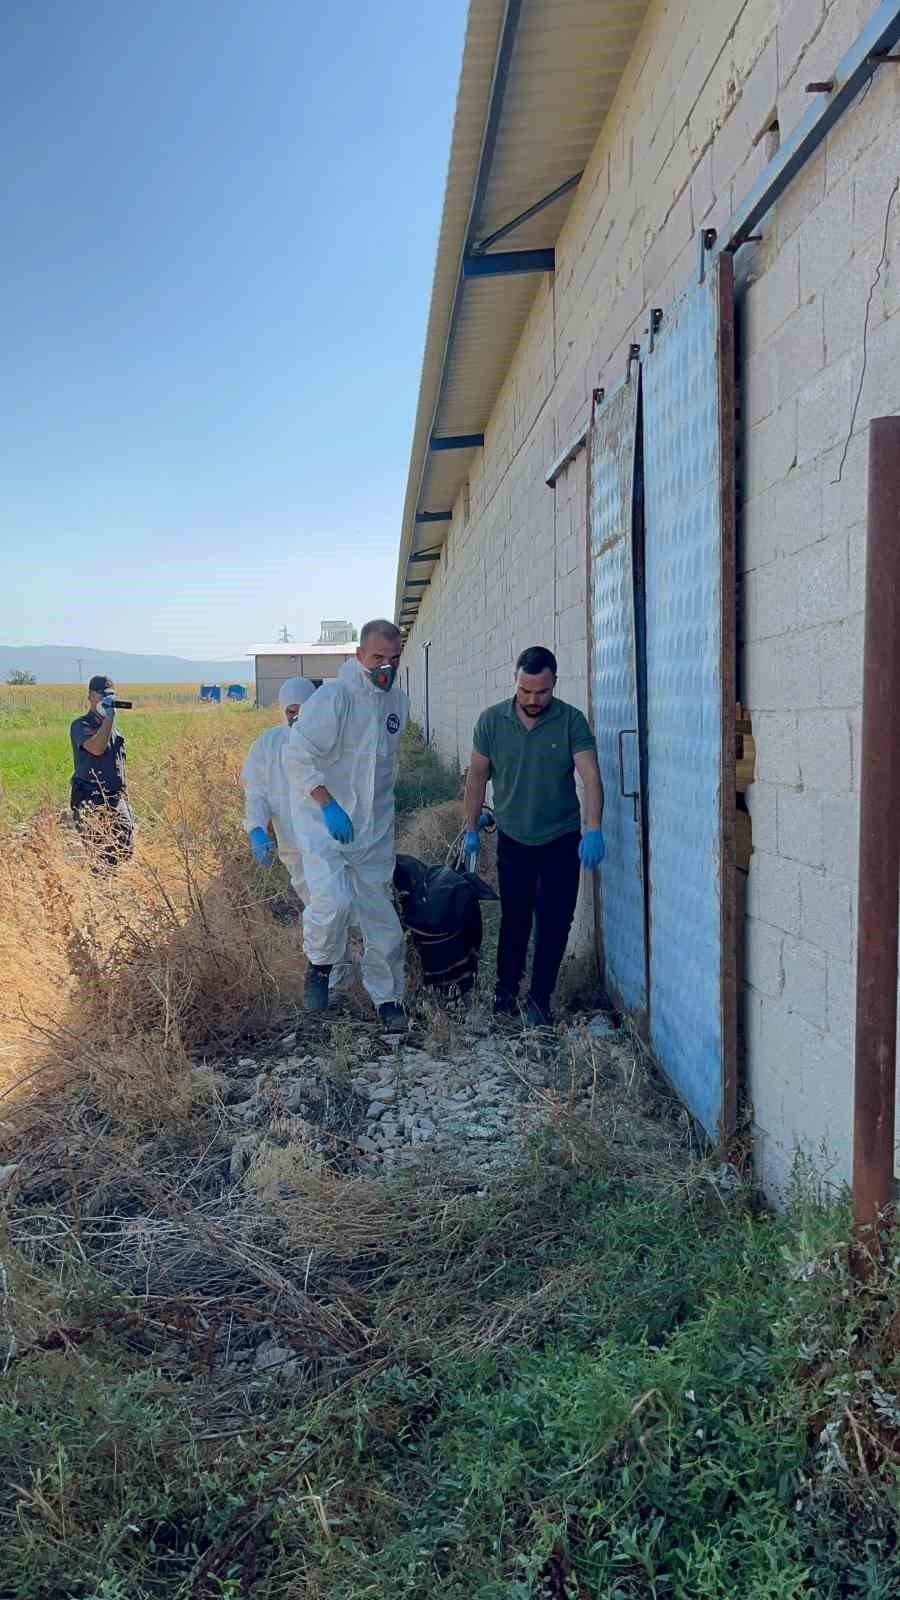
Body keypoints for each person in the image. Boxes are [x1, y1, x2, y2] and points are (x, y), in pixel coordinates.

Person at [463, 645, 605, 1025]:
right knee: (515, 920)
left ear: (554, 684)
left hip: (560, 837)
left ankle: (540, 999)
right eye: (526, 690)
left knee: (557, 920)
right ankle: (505, 997)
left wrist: (593, 829)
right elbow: (477, 774)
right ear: (516, 681)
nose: (532, 699)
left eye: (541, 692)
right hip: (513, 838)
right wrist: (470, 826)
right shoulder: (491, 721)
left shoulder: (571, 721)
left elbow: (590, 775)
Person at [287, 619, 409, 1030]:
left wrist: (381, 819)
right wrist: (328, 806)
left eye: (393, 659)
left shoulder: (397, 703)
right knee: (333, 902)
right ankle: (320, 966)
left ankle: (388, 998)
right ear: (359, 657)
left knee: (382, 919)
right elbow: (298, 755)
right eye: (377, 658)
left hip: (372, 829)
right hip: (325, 823)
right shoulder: (336, 698)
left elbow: (384, 768)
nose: (385, 668)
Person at [241, 677, 354, 993]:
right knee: (320, 906)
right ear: (282, 711)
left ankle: (328, 973)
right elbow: (257, 792)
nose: (296, 717)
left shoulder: (330, 743)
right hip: (294, 846)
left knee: (334, 903)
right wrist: (257, 829)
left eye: (303, 710)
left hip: (330, 841)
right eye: (290, 711)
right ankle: (337, 974)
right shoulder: (267, 745)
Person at [69, 675, 134, 867]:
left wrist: (125, 798)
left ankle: (116, 892)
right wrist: (109, 719)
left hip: (115, 799)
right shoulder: (81, 725)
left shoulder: (113, 730)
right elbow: (96, 748)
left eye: (111, 696)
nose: (108, 700)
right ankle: (99, 892)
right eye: (103, 696)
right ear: (91, 696)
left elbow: (119, 764)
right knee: (102, 857)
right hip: (91, 799)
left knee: (125, 849)